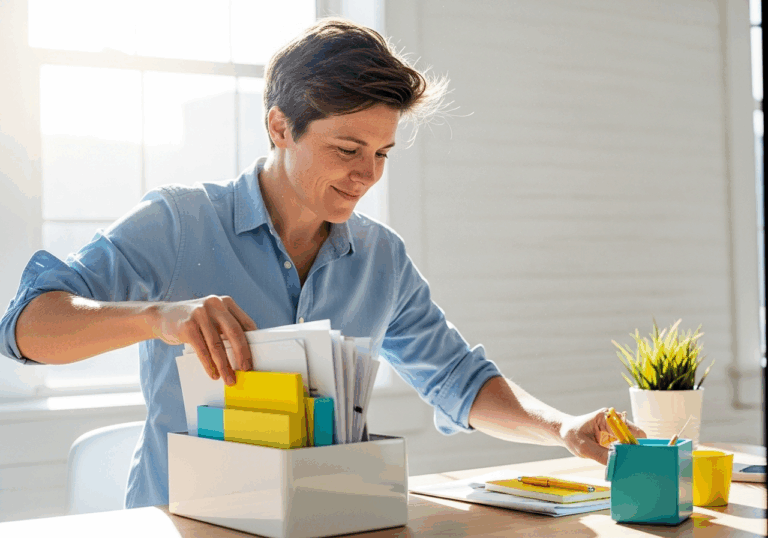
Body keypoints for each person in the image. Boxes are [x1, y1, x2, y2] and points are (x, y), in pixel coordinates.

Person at [0, 18, 644, 509]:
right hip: (183, 523)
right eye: (347, 148)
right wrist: (159, 318)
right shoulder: (178, 222)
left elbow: (456, 378)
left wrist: (561, 427)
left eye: (384, 154)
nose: (367, 175)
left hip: (328, 517)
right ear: (280, 127)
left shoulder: (380, 258)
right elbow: (26, 328)